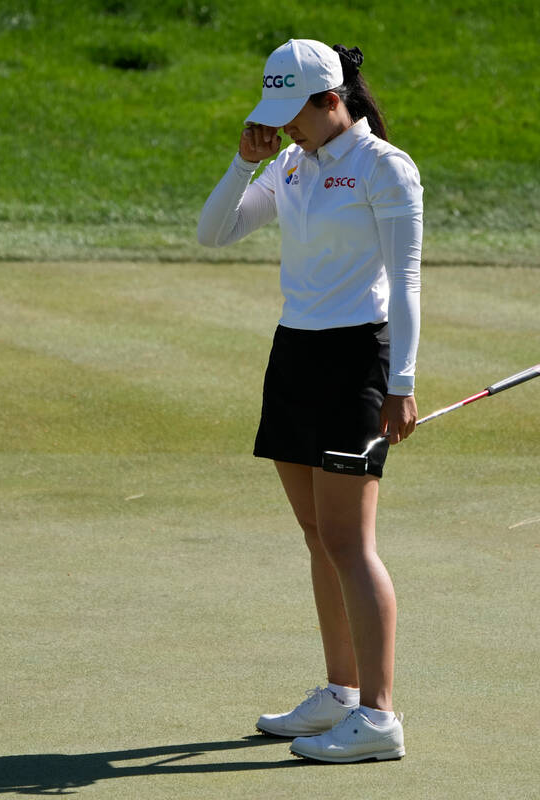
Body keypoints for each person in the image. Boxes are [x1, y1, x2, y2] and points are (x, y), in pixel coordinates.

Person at [197, 38, 423, 763]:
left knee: (351, 545)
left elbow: (408, 282)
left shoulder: (384, 168)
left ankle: (381, 719)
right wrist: (244, 161)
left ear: (332, 100)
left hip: (357, 359)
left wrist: (402, 384)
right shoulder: (291, 163)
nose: (282, 126)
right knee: (317, 539)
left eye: (291, 112)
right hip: (293, 357)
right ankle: (341, 692)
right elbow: (214, 232)